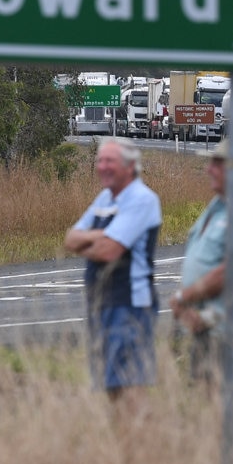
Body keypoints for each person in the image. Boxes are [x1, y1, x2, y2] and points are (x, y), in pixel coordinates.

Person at [64, 137, 162, 407]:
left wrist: (93, 240)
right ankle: (124, 446)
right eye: (100, 160)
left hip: (129, 303)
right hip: (102, 302)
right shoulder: (106, 198)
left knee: (129, 384)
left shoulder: (142, 199)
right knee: (111, 386)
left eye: (110, 161)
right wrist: (106, 234)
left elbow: (109, 252)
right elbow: (70, 239)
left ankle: (141, 444)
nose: (103, 167)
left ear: (130, 167)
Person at [170, 136, 233, 384]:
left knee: (231, 410)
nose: (209, 170)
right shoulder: (218, 205)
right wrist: (188, 311)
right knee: (208, 412)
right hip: (208, 326)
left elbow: (230, 271)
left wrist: (184, 297)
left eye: (217, 164)